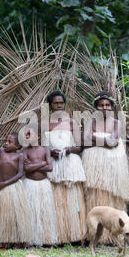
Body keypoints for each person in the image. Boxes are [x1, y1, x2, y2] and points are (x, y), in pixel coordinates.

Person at [81, 91, 129, 244]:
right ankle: (95, 234)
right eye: (101, 105)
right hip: (94, 161)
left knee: (111, 190)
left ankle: (115, 232)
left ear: (112, 107)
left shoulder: (116, 123)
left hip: (112, 162)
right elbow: (85, 140)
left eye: (107, 105)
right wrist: (105, 140)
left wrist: (95, 138)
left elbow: (114, 142)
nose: (104, 107)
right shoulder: (91, 122)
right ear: (96, 107)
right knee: (95, 190)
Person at [44, 91, 87, 244]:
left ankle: (76, 234)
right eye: (55, 103)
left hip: (70, 163)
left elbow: (80, 146)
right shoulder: (44, 123)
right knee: (57, 198)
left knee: (72, 197)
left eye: (61, 102)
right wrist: (50, 152)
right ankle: (59, 235)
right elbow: (39, 146)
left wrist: (69, 149)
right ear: (50, 105)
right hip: (54, 163)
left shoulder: (71, 122)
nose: (59, 105)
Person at [0, 132, 31, 247]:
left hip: (13, 188)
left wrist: (5, 183)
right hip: (0, 188)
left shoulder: (19, 156)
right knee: (1, 214)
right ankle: (1, 239)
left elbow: (20, 174)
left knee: (13, 215)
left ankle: (15, 239)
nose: (6, 143)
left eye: (10, 142)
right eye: (6, 140)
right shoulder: (1, 151)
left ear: (17, 146)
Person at [23, 128, 59, 246]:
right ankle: (31, 239)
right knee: (31, 212)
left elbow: (50, 168)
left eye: (29, 134)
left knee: (44, 212)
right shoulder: (25, 152)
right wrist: (42, 163)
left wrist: (34, 165)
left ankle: (46, 238)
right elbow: (26, 169)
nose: (27, 136)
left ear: (38, 136)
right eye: (26, 135)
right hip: (29, 184)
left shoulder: (45, 150)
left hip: (44, 185)